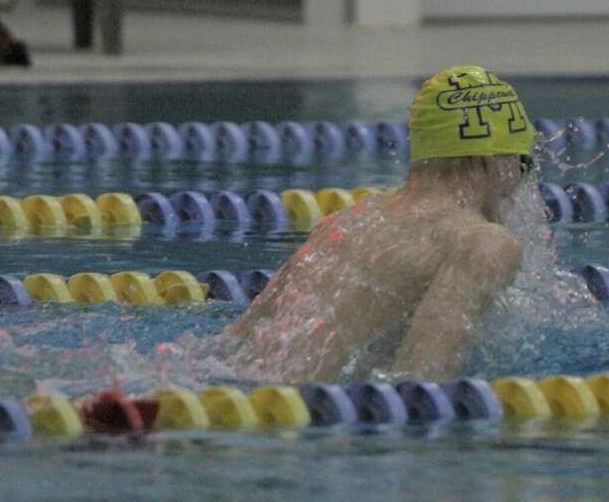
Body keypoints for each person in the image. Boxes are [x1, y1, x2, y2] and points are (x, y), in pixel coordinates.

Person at [220, 65, 537, 382]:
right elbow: (422, 379)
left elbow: (236, 341)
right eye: (522, 164)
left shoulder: (348, 221)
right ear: (492, 160)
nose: (518, 186)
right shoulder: (482, 243)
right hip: (302, 412)